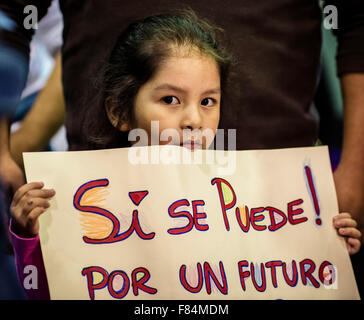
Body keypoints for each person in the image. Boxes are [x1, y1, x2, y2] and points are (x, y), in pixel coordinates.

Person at [8, 10, 362, 300]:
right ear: (119, 110)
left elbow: (287, 278)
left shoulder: (257, 208)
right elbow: (47, 291)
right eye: (170, 100)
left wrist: (327, 248)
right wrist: (30, 236)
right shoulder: (85, 205)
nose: (194, 119)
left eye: (208, 101)